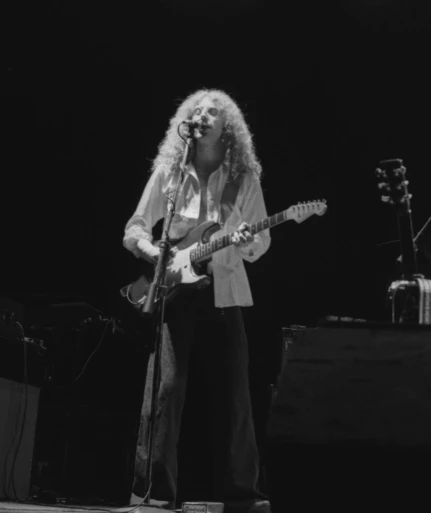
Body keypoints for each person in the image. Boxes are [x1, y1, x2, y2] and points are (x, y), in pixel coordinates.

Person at [123, 89, 272, 513]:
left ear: (228, 128)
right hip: (175, 291)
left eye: (213, 111)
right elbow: (134, 227)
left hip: (224, 292)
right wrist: (158, 255)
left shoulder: (243, 177)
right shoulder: (169, 173)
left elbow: (261, 240)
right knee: (166, 390)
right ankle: (151, 492)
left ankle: (244, 495)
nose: (202, 115)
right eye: (196, 110)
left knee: (235, 394)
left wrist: (244, 243)